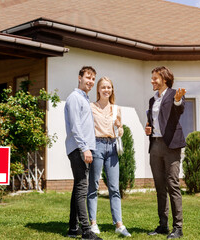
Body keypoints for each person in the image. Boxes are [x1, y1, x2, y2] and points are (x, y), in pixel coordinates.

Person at [145, 66, 186, 239]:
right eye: (152, 78)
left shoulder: (174, 94)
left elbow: (179, 109)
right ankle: (163, 225)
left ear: (164, 79)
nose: (152, 81)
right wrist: (148, 128)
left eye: (155, 78)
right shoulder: (152, 100)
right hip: (155, 144)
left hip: (171, 146)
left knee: (172, 184)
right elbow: (153, 120)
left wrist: (178, 100)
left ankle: (178, 228)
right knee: (160, 186)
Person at [87, 77, 131, 237]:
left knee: (114, 188)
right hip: (97, 146)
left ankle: (119, 224)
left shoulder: (116, 108)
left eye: (109, 87)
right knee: (93, 186)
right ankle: (92, 223)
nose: (106, 90)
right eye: (103, 87)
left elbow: (120, 132)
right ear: (98, 90)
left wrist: (120, 128)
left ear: (112, 90)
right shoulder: (91, 107)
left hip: (112, 147)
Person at [64, 66, 102, 240]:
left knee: (78, 186)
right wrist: (85, 147)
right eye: (88, 77)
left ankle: (73, 228)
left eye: (93, 78)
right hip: (79, 148)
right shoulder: (74, 98)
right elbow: (75, 126)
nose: (91, 81)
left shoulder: (84, 99)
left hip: (83, 147)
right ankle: (87, 231)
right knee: (81, 188)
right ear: (79, 77)